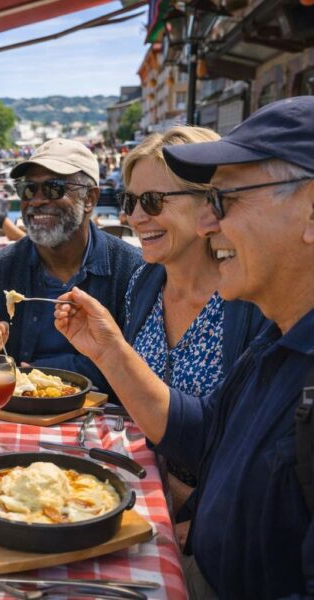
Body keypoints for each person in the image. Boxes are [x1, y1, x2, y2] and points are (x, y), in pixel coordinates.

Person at [53, 96, 314, 598]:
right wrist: (108, 350)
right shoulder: (278, 342)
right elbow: (203, 436)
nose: (211, 224)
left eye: (227, 200)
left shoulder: (269, 328)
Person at [120, 126, 268, 542]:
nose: (135, 217)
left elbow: (252, 447)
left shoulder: (251, 300)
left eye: (152, 201)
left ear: (209, 201)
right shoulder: (144, 283)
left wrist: (186, 504)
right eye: (130, 201)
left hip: (217, 524)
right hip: (144, 491)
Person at [0, 138, 142, 395]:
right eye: (28, 189)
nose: (35, 201)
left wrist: (36, 370)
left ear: (90, 199)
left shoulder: (133, 273)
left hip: (108, 419)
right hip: (18, 419)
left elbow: (140, 367)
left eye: (53, 188)